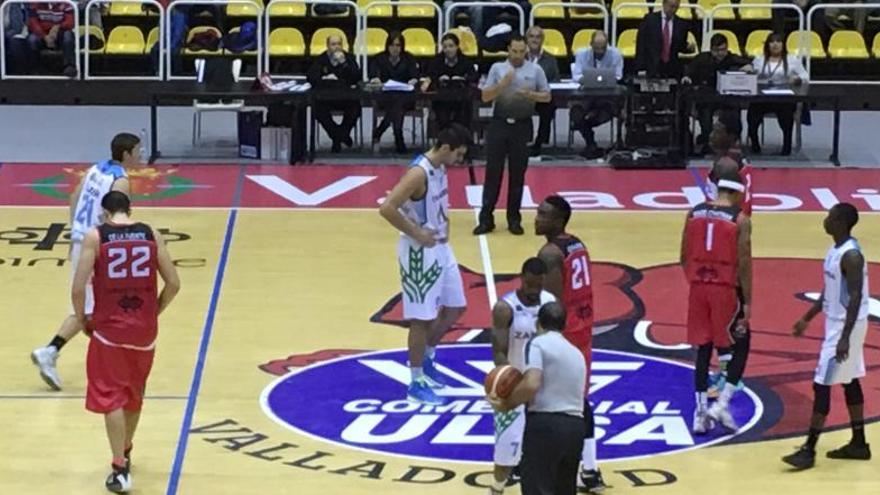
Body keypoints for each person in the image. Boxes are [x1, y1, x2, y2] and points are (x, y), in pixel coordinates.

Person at [73, 191, 180, 492]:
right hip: (145, 331)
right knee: (134, 393)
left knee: (111, 397)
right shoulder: (150, 233)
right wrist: (153, 311)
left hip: (110, 330)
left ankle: (119, 467)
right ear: (129, 209)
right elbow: (174, 284)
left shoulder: (97, 237)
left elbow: (78, 287)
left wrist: (82, 318)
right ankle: (128, 447)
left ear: (105, 213)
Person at [31, 133, 141, 391]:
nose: (141, 154)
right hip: (95, 244)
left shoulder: (96, 168)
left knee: (96, 308)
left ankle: (66, 353)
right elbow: (112, 218)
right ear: (126, 154)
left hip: (82, 240)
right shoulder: (120, 181)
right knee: (89, 310)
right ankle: (51, 351)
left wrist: (75, 233)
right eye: (137, 150)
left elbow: (73, 198)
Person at [378, 124, 471, 406]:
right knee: (421, 319)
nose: (459, 161)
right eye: (458, 155)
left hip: (441, 247)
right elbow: (387, 207)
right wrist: (416, 232)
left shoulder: (439, 168)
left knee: (456, 307)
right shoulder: (418, 173)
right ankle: (415, 381)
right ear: (445, 149)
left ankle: (428, 358)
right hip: (420, 252)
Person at [783, 203, 872, 470]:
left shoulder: (852, 256)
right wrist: (807, 318)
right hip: (839, 324)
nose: (826, 220)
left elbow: (855, 297)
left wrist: (845, 337)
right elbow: (829, 290)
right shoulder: (835, 250)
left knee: (821, 384)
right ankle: (859, 443)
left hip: (846, 327)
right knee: (850, 380)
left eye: (831, 217)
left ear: (842, 222)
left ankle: (809, 449)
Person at [534, 195, 605, 492]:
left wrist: (541, 339)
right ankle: (590, 468)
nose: (536, 218)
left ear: (559, 220)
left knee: (549, 400)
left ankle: (538, 463)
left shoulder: (550, 253)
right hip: (584, 324)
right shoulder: (577, 244)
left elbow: (551, 304)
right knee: (579, 399)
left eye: (543, 214)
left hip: (566, 331)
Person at [488, 302, 587, 495]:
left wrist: (506, 404)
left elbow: (531, 383)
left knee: (537, 488)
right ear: (564, 326)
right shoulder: (577, 353)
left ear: (538, 324)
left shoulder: (537, 343)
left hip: (546, 426)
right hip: (575, 429)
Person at [680, 171, 752, 434]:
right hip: (725, 289)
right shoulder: (740, 219)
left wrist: (697, 280)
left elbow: (683, 255)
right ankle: (721, 404)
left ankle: (699, 414)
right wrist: (748, 302)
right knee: (741, 344)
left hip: (698, 287)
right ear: (735, 193)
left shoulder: (693, 212)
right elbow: (744, 264)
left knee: (703, 348)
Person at [489, 257, 556, 495]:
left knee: (546, 444)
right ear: (521, 279)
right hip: (515, 383)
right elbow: (498, 350)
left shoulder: (550, 303)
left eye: (538, 286)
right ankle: (496, 488)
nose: (533, 291)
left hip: (543, 383)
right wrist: (508, 377)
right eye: (529, 286)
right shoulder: (504, 308)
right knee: (506, 444)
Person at [474, 34, 551, 237]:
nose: (518, 55)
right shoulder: (497, 69)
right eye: (514, 51)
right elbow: (484, 96)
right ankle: (486, 219)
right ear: (508, 50)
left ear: (526, 50)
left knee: (518, 174)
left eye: (521, 51)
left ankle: (514, 219)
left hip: (522, 126)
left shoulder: (535, 70)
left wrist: (530, 95)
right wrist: (502, 85)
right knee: (493, 174)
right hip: (499, 123)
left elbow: (547, 95)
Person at [683, 34, 753, 155]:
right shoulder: (702, 58)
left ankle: (732, 143)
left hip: (726, 98)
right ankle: (706, 141)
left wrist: (748, 66)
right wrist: (687, 77)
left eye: (723, 50)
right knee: (704, 113)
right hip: (707, 97)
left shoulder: (731, 58)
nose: (720, 53)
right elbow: (689, 70)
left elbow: (748, 63)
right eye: (717, 50)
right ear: (711, 49)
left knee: (734, 112)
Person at [746, 32, 808, 156]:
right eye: (772, 42)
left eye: (778, 42)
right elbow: (751, 73)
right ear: (767, 45)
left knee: (786, 116)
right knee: (752, 115)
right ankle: (755, 144)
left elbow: (805, 76)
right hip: (763, 98)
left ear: (783, 45)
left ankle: (786, 147)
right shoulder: (759, 59)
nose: (775, 45)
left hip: (783, 98)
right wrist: (749, 71)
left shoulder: (792, 59)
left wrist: (797, 79)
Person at [570, 30, 624, 159]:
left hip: (606, 97)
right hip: (585, 96)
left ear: (607, 45)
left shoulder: (616, 55)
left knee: (604, 113)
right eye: (597, 48)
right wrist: (585, 79)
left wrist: (607, 80)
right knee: (576, 114)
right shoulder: (581, 54)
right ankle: (591, 143)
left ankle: (591, 144)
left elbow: (618, 75)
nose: (600, 52)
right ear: (591, 44)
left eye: (603, 48)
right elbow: (576, 75)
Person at [306, 35, 362, 153]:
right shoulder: (321, 60)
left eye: (339, 44)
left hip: (345, 97)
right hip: (326, 98)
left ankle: (338, 137)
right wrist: (324, 79)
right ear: (327, 46)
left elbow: (356, 78)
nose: (336, 47)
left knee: (355, 108)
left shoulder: (349, 58)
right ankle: (340, 136)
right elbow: (311, 77)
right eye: (333, 44)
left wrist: (344, 63)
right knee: (318, 109)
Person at [369, 31, 421, 154]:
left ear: (402, 47)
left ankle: (380, 131)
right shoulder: (379, 59)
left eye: (398, 45)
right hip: (385, 98)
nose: (395, 48)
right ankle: (398, 137)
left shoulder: (409, 58)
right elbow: (374, 76)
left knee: (399, 103)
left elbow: (415, 76)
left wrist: (413, 81)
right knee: (397, 106)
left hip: (406, 98)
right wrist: (375, 80)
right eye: (392, 45)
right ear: (387, 46)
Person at [421, 32, 479, 132]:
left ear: (457, 47)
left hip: (461, 98)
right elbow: (430, 76)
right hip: (442, 98)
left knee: (464, 113)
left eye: (451, 46)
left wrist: (462, 79)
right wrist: (438, 79)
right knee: (442, 116)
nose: (448, 49)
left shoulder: (465, 61)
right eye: (445, 47)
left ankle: (463, 142)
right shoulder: (436, 61)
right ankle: (444, 142)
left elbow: (474, 77)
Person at [635, 0, 694, 79]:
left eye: (676, 7)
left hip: (671, 69)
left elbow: (679, 46)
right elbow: (641, 45)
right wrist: (640, 67)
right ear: (664, 4)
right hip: (651, 67)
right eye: (671, 6)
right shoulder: (650, 20)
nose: (673, 10)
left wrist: (688, 48)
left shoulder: (682, 25)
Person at [525, 26, 560, 156]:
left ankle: (539, 143)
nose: (534, 40)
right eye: (531, 37)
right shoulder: (518, 56)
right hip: (522, 96)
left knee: (549, 106)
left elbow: (556, 80)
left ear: (542, 40)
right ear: (527, 40)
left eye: (538, 37)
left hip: (541, 97)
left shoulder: (550, 59)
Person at [26, 2, 78, 78]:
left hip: (59, 33)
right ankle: (35, 68)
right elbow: (33, 23)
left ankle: (69, 66)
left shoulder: (66, 4)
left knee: (68, 36)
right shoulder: (35, 4)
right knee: (32, 39)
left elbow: (70, 22)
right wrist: (44, 36)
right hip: (42, 33)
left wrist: (58, 27)